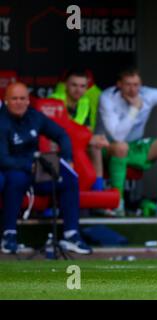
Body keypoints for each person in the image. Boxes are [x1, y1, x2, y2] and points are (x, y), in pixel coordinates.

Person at [0, 83, 92, 255]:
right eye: (14, 99)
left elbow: (61, 135)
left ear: (28, 101)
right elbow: (3, 159)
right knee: (15, 179)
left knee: (69, 177)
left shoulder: (35, 117)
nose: (19, 102)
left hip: (37, 168)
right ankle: (9, 235)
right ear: (6, 101)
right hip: (14, 168)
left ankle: (71, 234)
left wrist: (68, 158)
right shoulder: (2, 121)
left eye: (22, 98)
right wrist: (29, 166)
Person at [96, 68, 157, 217]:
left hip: (135, 146)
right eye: (128, 84)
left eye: (136, 84)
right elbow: (118, 136)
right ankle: (117, 202)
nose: (133, 89)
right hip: (106, 147)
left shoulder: (147, 94)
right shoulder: (107, 97)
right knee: (121, 147)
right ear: (119, 84)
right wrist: (135, 108)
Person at [50, 68, 109, 191]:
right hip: (57, 142)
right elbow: (55, 130)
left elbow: (86, 128)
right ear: (66, 85)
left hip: (77, 143)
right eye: (74, 85)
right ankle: (51, 195)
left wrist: (95, 139)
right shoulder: (55, 99)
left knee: (96, 146)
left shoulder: (85, 102)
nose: (78, 90)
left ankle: (97, 191)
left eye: (82, 86)